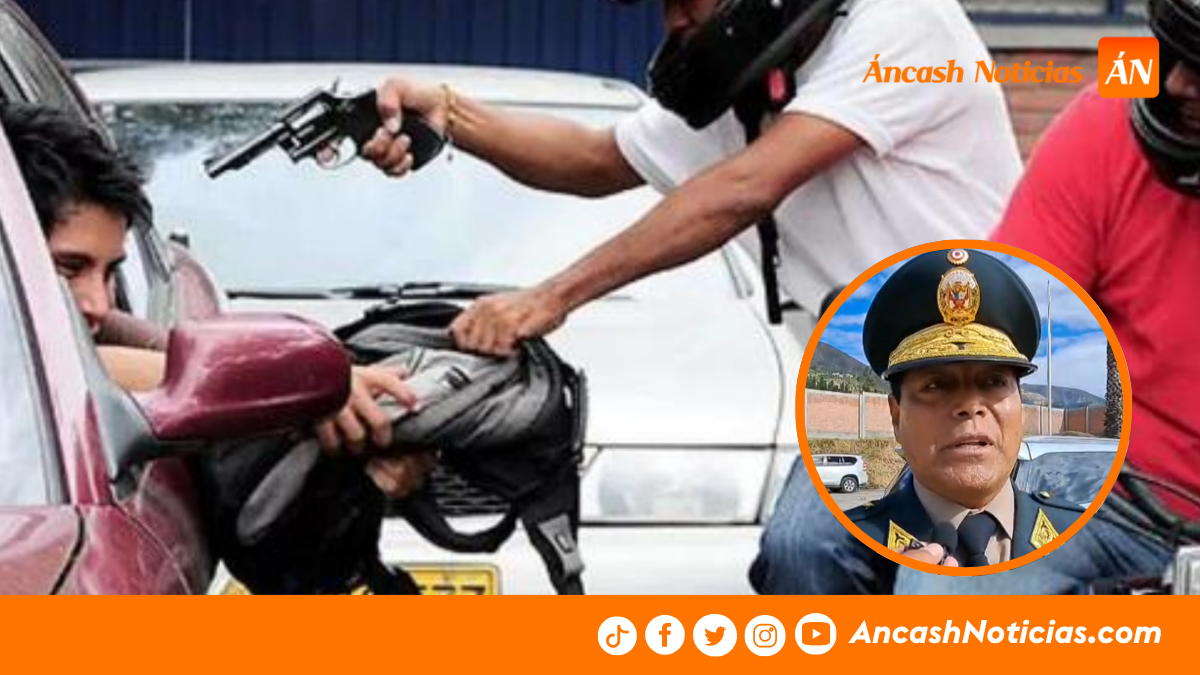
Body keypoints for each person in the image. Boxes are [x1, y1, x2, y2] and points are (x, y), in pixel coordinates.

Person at [361, 0, 1022, 357]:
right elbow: (595, 159)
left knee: (815, 549)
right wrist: (449, 112)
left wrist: (553, 295)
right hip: (873, 378)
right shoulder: (754, 75)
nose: (674, 22)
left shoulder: (905, 26)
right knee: (797, 554)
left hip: (987, 357)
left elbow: (746, 187)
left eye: (688, 0)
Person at [892, 0, 1200, 594]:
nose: (1178, 83)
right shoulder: (1105, 116)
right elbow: (1008, 320)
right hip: (1109, 497)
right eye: (1175, 54)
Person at [0, 102, 435, 498]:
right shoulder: (39, 365)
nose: (96, 302)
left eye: (111, 272)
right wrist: (296, 387)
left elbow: (148, 351)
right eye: (67, 269)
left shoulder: (92, 322)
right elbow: (71, 371)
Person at [750, 249, 1084, 593]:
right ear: (896, 415)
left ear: (1021, 407)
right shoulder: (849, 549)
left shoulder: (1085, 536)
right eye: (936, 386)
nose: (970, 406)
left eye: (993, 382)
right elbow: (796, 553)